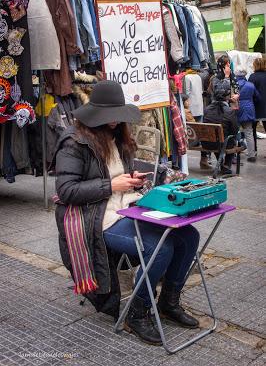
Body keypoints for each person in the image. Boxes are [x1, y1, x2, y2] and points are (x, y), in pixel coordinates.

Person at [54, 80, 200, 346]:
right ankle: (137, 311)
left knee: (189, 235)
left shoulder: (118, 136)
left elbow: (117, 176)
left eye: (116, 116)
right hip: (96, 215)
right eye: (109, 117)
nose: (114, 122)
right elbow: (66, 191)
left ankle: (168, 302)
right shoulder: (73, 142)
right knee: (159, 246)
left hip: (127, 205)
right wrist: (111, 185)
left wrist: (130, 179)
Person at [203, 81, 239, 175]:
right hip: (223, 144)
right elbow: (235, 130)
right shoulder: (229, 111)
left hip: (208, 143)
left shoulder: (207, 109)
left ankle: (222, 163)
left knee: (218, 138)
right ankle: (226, 165)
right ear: (227, 97)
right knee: (231, 138)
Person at [235, 69, 260, 162]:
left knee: (234, 131)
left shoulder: (233, 85)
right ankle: (251, 155)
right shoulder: (250, 85)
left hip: (236, 108)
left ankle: (234, 153)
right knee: (249, 132)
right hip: (248, 109)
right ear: (245, 75)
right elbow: (258, 97)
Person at [248, 57, 266, 155]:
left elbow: (250, 91)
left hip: (255, 106)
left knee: (252, 130)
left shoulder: (252, 77)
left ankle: (253, 150)